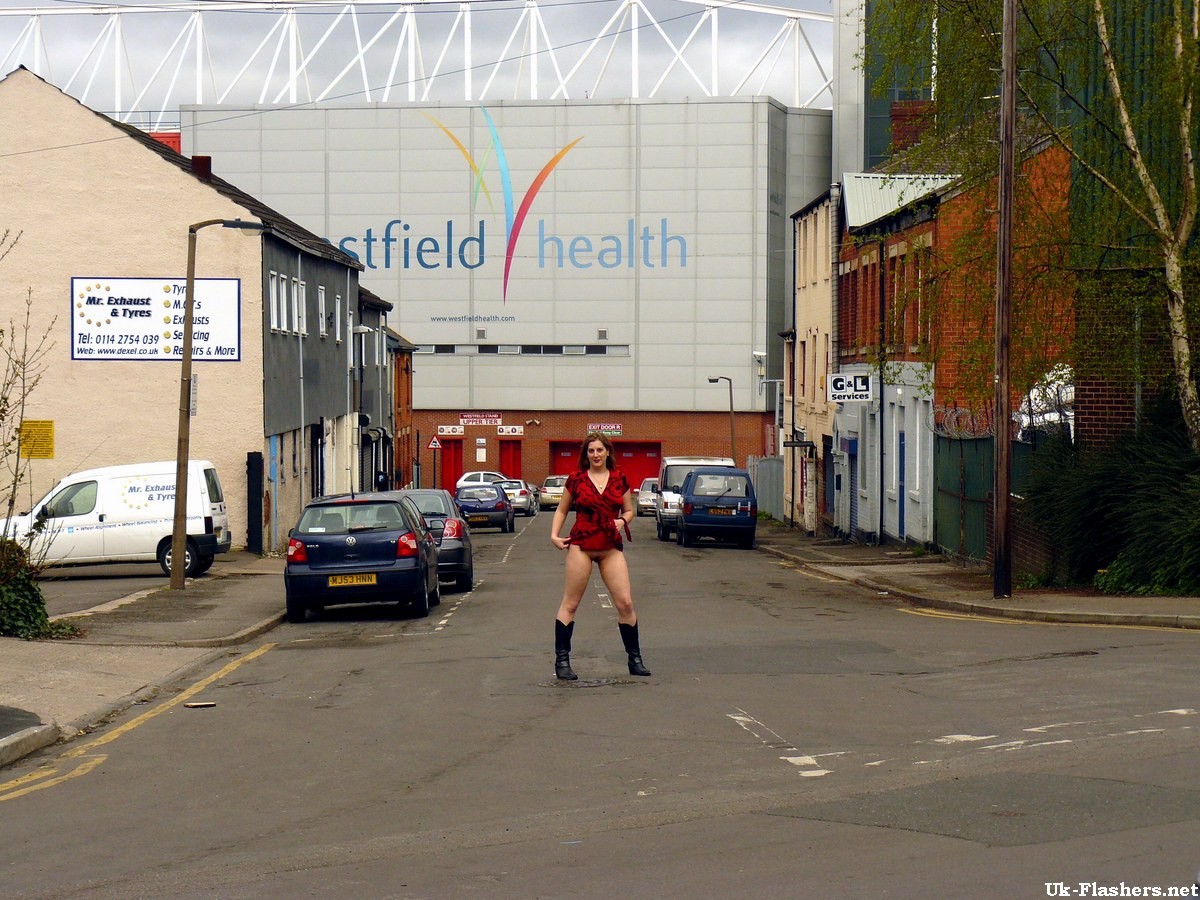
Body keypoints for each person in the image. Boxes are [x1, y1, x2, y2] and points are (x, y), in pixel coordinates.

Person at [550, 431, 651, 680]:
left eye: (599, 450)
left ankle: (634, 659)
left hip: (610, 546)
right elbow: (562, 510)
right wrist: (554, 535)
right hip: (581, 545)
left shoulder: (619, 478)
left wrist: (622, 521)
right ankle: (562, 662)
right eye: (591, 451)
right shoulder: (576, 479)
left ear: (608, 452)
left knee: (625, 603)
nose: (595, 454)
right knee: (570, 604)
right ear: (586, 455)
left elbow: (630, 510)